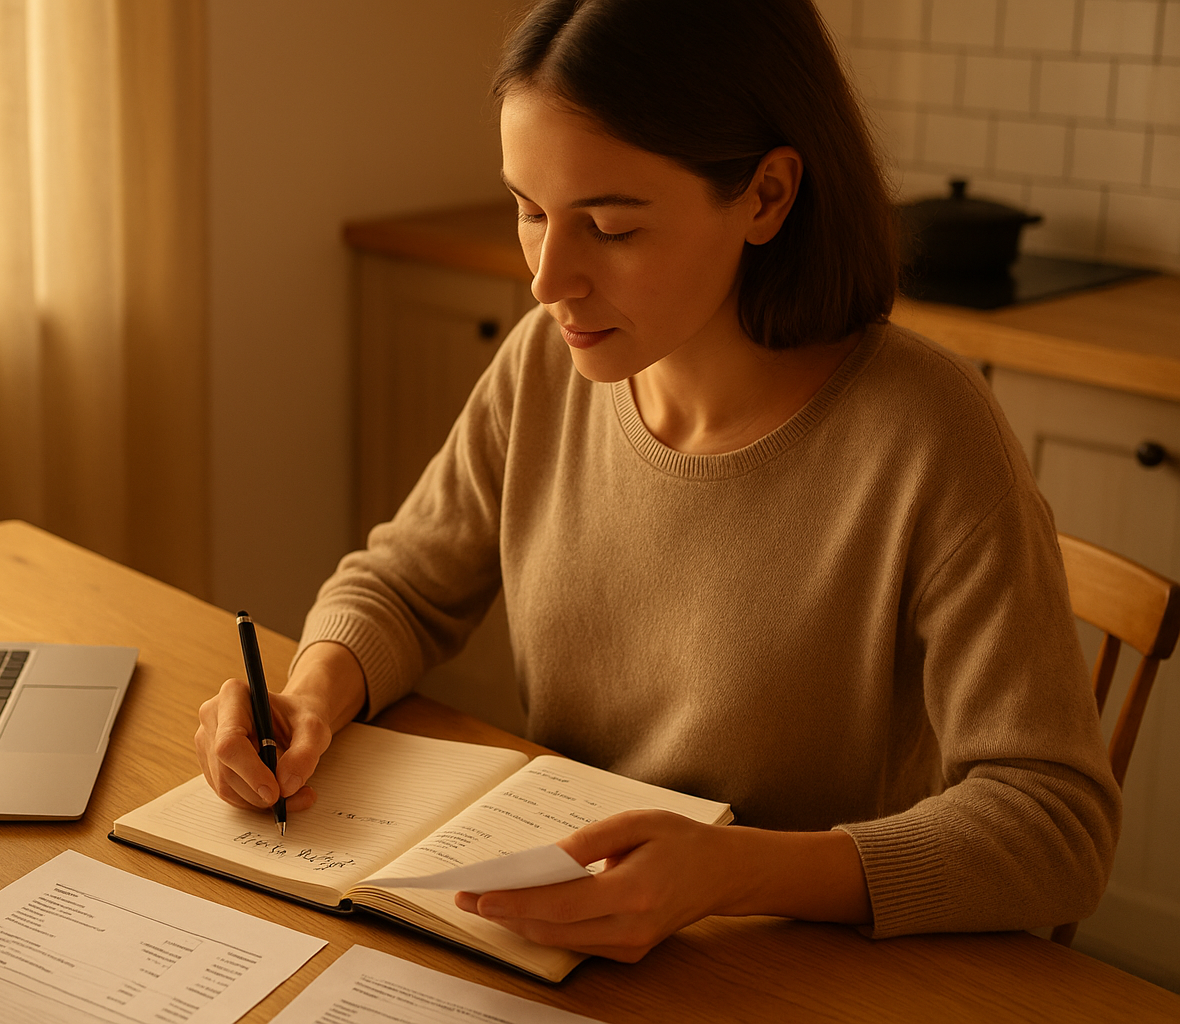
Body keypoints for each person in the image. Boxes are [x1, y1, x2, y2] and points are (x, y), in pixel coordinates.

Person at [195, 0, 1120, 962]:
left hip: (793, 972)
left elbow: (1055, 826)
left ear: (766, 196)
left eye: (609, 227)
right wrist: (312, 693)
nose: (549, 279)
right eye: (529, 211)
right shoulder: (545, 366)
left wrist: (732, 871)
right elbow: (405, 581)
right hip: (568, 951)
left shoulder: (929, 434)